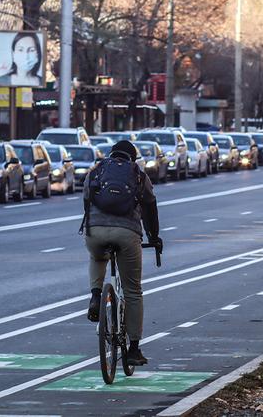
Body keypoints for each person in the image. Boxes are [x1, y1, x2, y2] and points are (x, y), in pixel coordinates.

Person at [81, 140, 161, 366]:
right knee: (133, 290)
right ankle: (134, 349)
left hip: (95, 231)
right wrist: (153, 236)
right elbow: (150, 207)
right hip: (127, 233)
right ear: (132, 158)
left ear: (111, 154)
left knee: (97, 256)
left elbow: (86, 199)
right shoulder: (139, 175)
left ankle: (96, 295)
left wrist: (93, 226)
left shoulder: (96, 171)